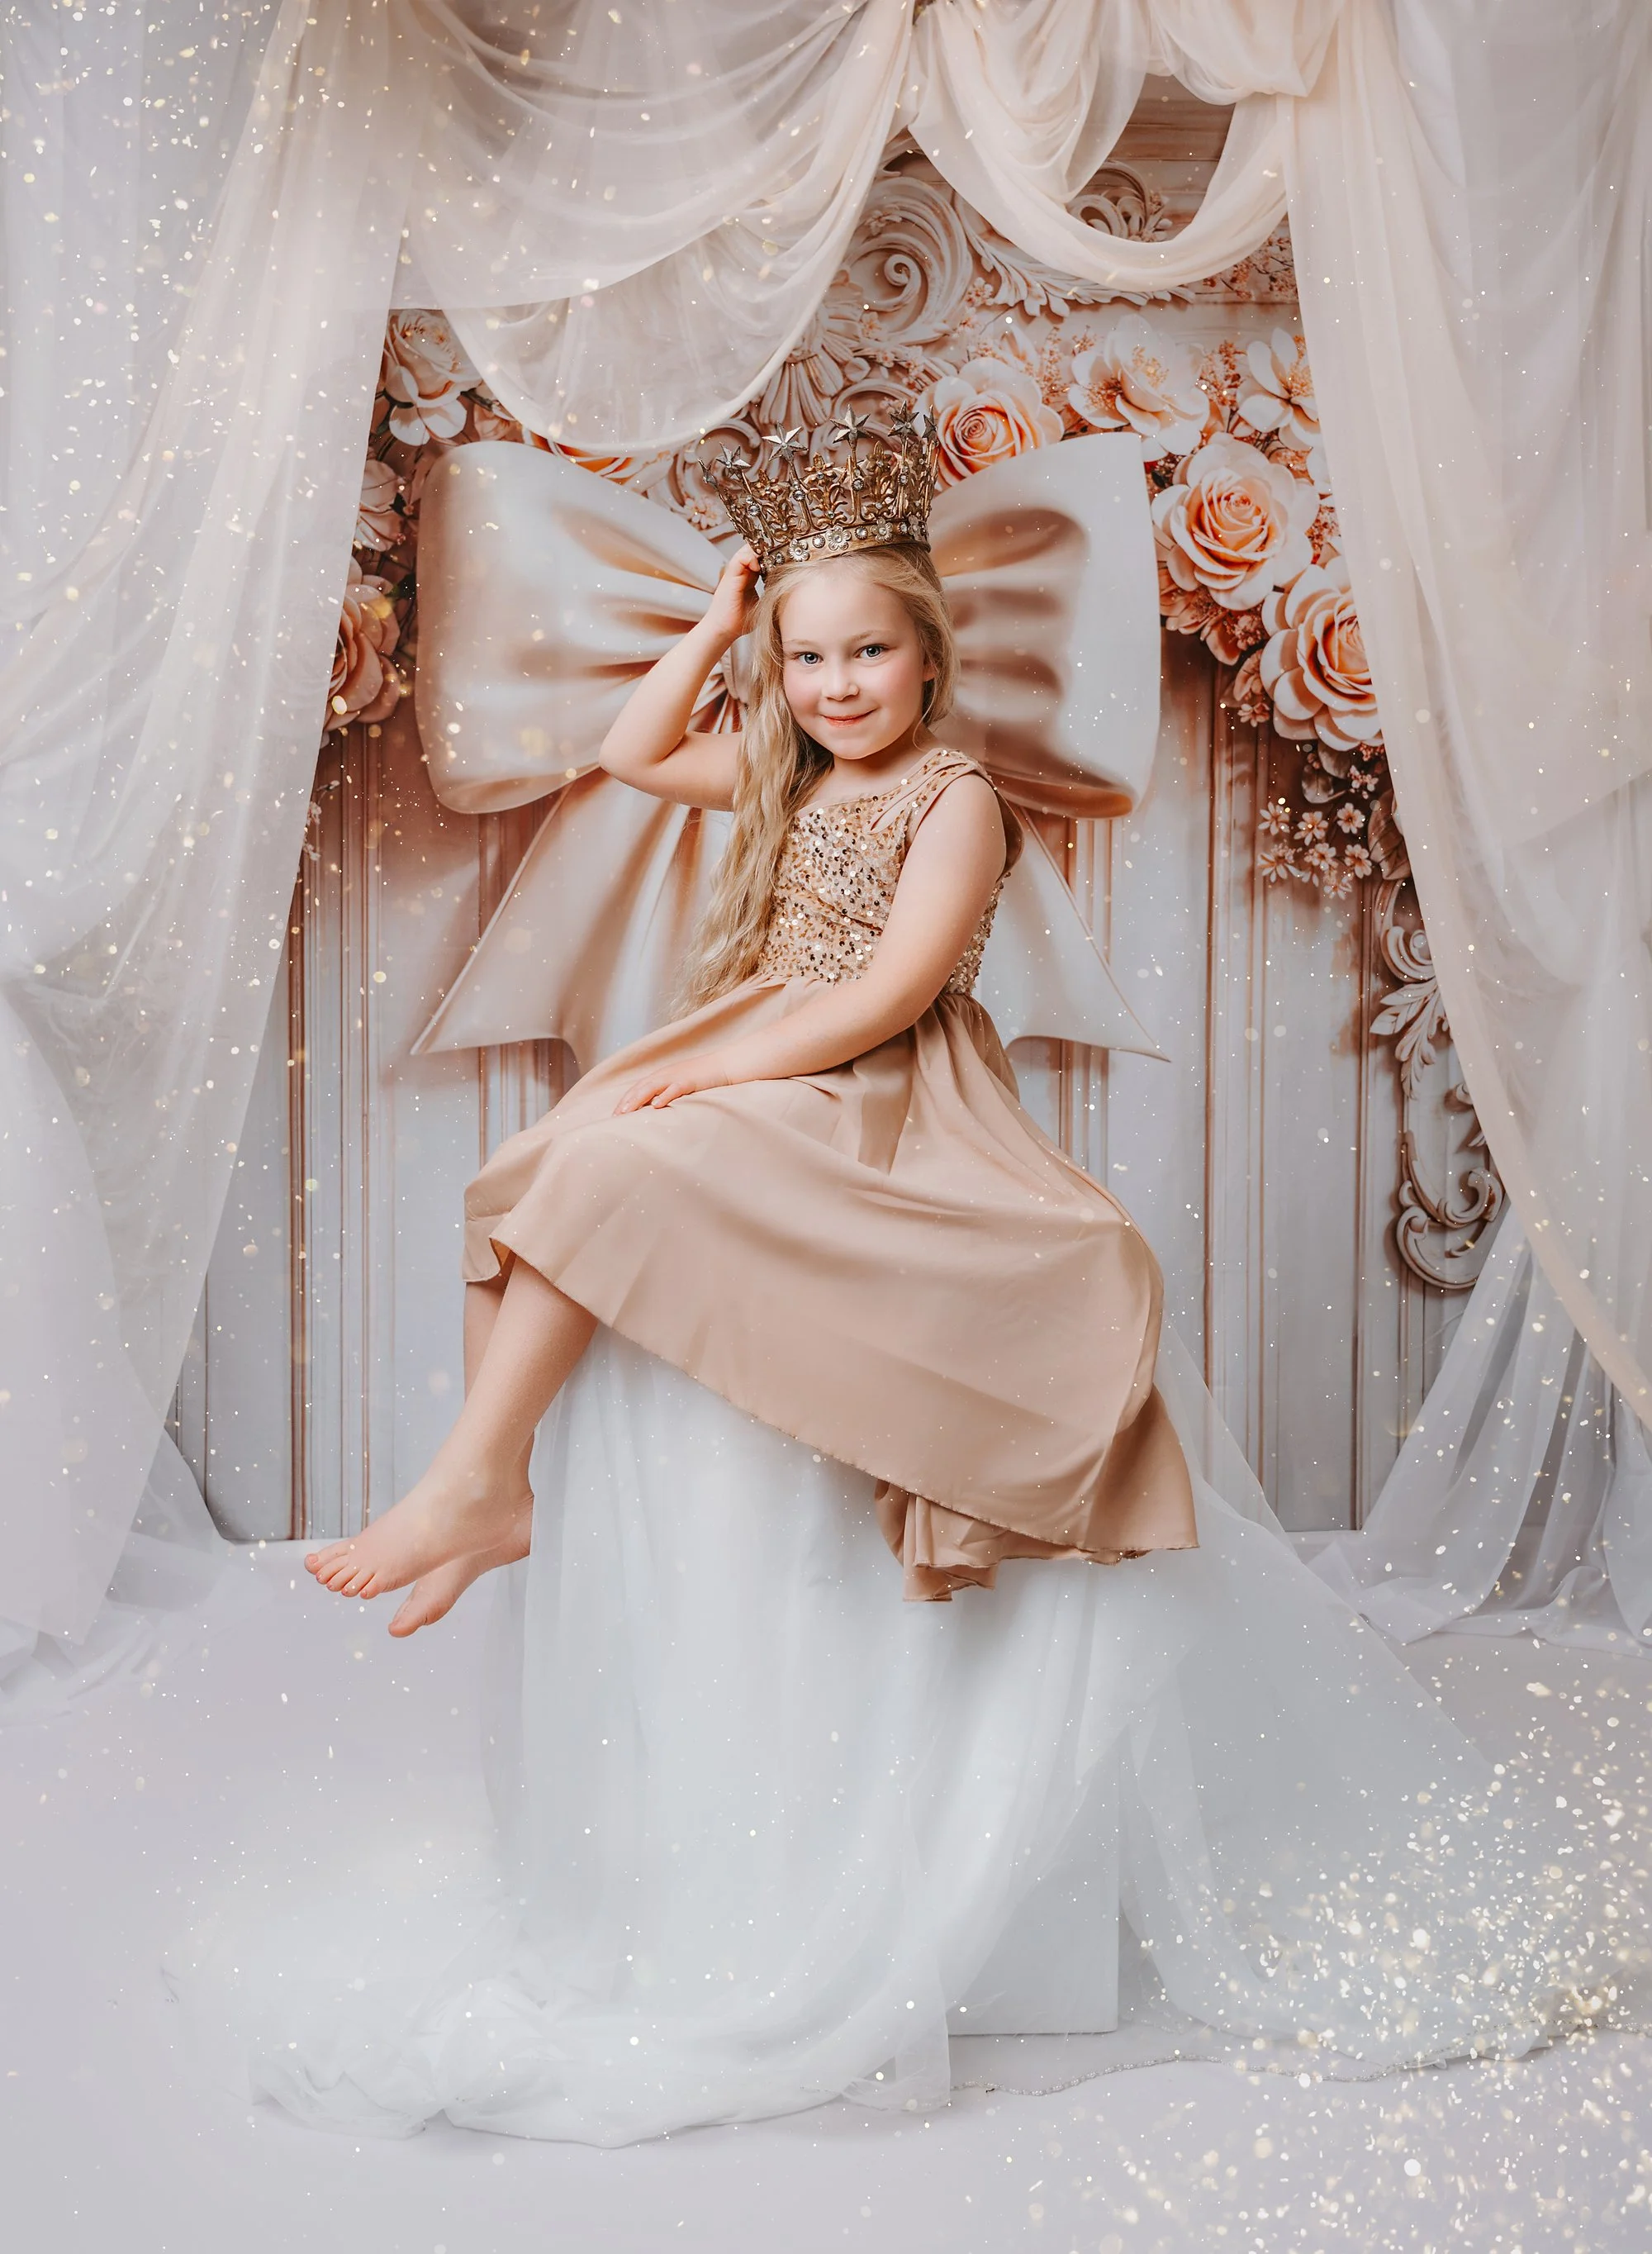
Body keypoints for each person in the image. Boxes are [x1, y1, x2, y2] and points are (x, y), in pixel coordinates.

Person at [198, 428, 1643, 2145]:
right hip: (767, 1054)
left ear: (930, 657)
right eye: (806, 659)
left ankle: (478, 1480)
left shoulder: (953, 797)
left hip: (876, 1086)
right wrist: (722, 617)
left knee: (603, 1150)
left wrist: (708, 1072)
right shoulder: (789, 771)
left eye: (863, 651)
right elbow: (619, 742)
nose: (834, 684)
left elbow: (885, 993)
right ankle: (488, 1481)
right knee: (537, 1168)